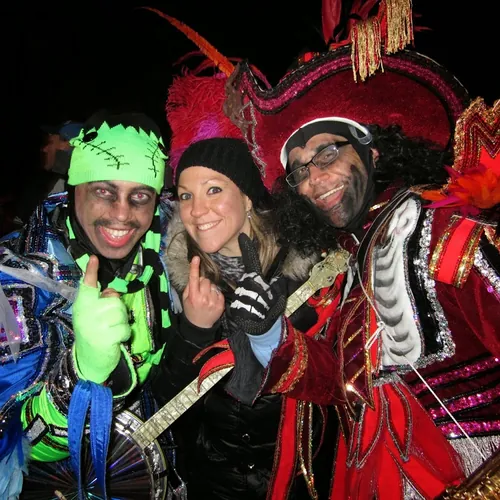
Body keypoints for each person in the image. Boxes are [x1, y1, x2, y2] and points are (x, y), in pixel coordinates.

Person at [222, 3, 500, 498]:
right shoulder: (352, 264)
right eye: (299, 170)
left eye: (327, 153)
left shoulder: (444, 229)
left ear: (371, 151)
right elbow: (342, 384)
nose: (314, 179)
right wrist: (268, 333)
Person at [150, 70, 341, 500]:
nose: (197, 210)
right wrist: (193, 330)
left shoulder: (313, 272)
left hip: (302, 483)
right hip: (214, 488)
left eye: (213, 189)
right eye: (185, 195)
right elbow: (165, 411)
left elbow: (341, 387)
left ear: (248, 196)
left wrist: (276, 338)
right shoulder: (176, 280)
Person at [0, 110, 174, 498]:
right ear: (74, 187)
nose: (122, 214)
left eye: (140, 196)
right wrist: (83, 375)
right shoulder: (9, 280)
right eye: (103, 191)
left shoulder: (156, 254)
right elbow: (8, 440)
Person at [14, 121, 83, 225]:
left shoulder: (78, 188)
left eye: (50, 142)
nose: (44, 149)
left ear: (68, 145)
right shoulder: (46, 184)